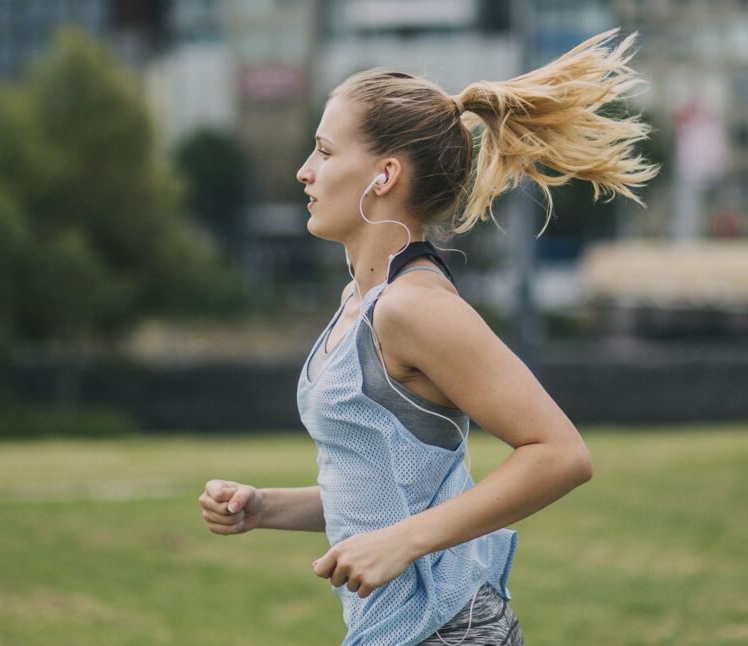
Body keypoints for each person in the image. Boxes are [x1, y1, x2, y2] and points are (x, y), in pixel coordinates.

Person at [198, 28, 658, 645]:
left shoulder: (414, 308)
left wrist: (402, 543)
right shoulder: (361, 302)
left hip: (447, 630)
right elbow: (383, 494)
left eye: (325, 153)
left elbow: (560, 454)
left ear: (383, 175)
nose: (305, 172)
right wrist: (265, 507)